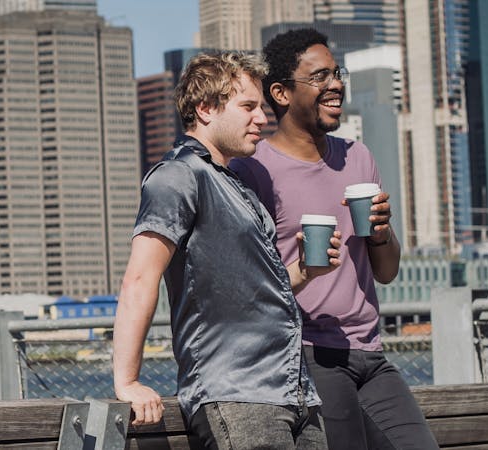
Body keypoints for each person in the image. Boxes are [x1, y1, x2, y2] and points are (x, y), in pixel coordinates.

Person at [112, 51, 341, 449]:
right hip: (238, 396)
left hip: (294, 393)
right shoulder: (178, 175)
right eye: (248, 106)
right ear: (205, 108)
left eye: (262, 108)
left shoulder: (238, 187)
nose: (262, 119)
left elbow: (255, 289)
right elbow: (140, 277)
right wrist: (128, 381)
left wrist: (304, 270)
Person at [230, 29, 439, 449]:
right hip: (307, 353)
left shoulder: (357, 156)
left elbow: (386, 272)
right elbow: (248, 288)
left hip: (370, 351)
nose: (337, 84)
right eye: (320, 76)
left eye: (337, 73)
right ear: (282, 93)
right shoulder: (253, 171)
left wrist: (381, 234)